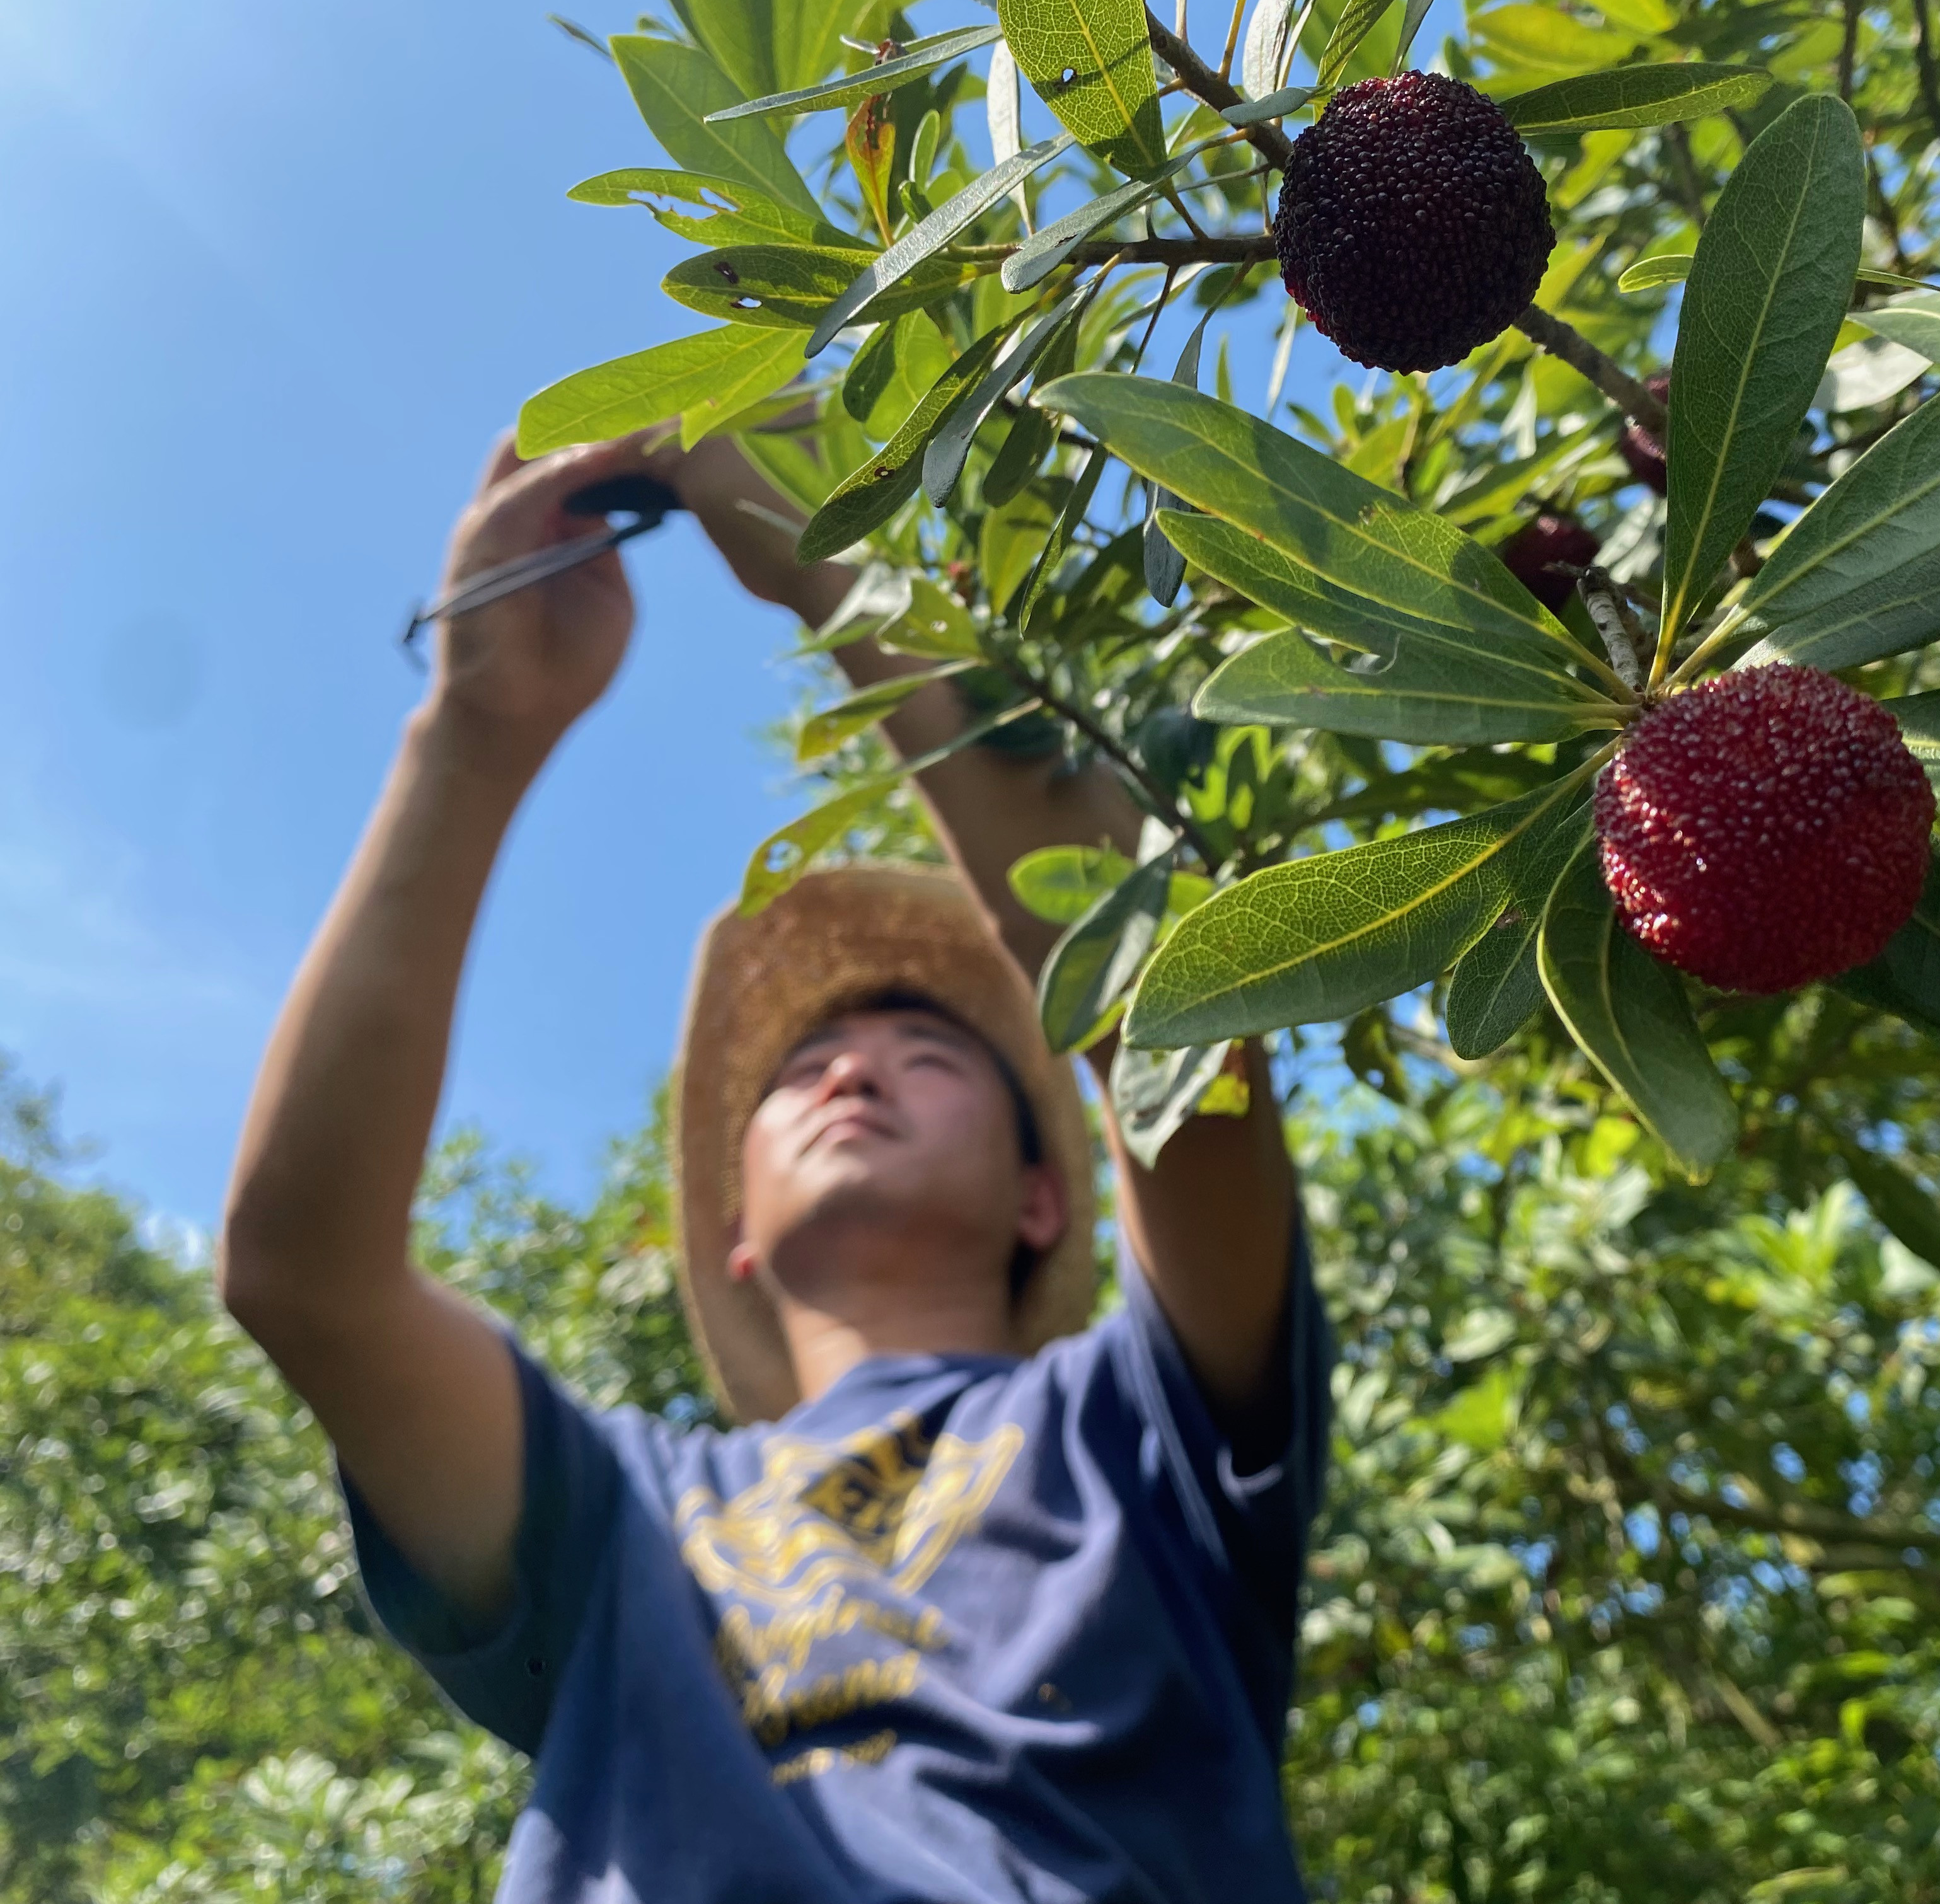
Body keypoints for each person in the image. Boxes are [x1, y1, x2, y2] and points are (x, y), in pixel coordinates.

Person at [218, 429, 1326, 1904]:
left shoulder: (1149, 1435)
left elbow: (1171, 1014)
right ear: (738, 1232)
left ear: (1043, 1194)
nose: (853, 1067)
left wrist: (834, 563)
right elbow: (305, 1275)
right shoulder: (615, 1521)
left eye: (929, 1056)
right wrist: (474, 731)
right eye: (805, 1072)